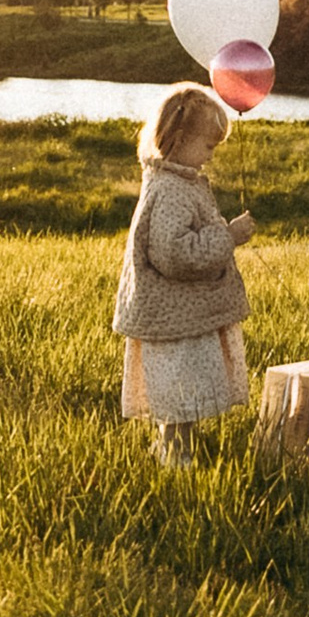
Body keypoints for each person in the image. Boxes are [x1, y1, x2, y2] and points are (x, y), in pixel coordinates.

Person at [114, 84, 256, 461]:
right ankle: (176, 457)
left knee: (184, 391)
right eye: (207, 146)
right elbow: (175, 254)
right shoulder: (172, 190)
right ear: (178, 140)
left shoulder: (175, 182)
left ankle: (173, 449)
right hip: (174, 317)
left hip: (179, 314)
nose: (210, 156)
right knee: (180, 393)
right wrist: (227, 237)